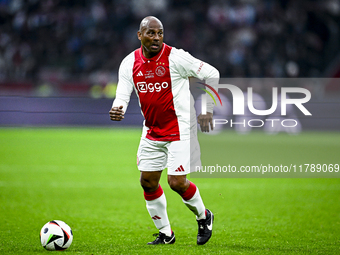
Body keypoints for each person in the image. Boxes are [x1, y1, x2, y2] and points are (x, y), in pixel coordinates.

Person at [109, 16, 219, 245]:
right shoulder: (129, 63)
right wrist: (117, 108)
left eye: (160, 33)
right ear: (140, 35)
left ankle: (204, 216)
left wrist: (207, 109)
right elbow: (122, 95)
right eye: (151, 33)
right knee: (148, 182)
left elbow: (212, 73)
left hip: (180, 127)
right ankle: (166, 234)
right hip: (151, 129)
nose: (156, 38)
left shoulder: (176, 57)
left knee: (176, 182)